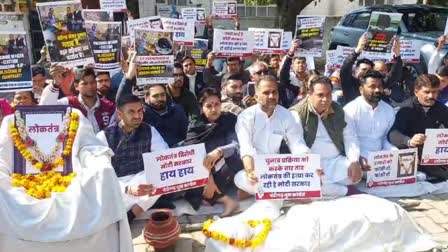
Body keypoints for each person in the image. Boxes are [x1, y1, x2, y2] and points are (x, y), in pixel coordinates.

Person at [0, 106, 133, 252]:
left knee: (105, 171)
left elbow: (88, 145)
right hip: (24, 179)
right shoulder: (11, 122)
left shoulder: (73, 117)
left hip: (69, 176)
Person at [97, 94, 173, 221]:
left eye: (139, 111)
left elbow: (164, 157)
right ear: (120, 114)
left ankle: (131, 215)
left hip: (142, 180)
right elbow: (99, 174)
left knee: (162, 176)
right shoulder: (104, 136)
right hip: (118, 185)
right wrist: (128, 189)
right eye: (131, 112)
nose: (137, 116)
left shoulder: (149, 130)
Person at [233, 75, 309, 196]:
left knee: (311, 181)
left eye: (274, 92)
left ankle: (260, 193)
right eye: (266, 93)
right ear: (256, 96)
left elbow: (297, 144)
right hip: (254, 168)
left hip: (277, 170)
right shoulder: (246, 117)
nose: (272, 96)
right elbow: (246, 148)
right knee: (239, 178)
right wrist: (250, 171)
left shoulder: (286, 115)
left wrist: (308, 164)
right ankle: (280, 195)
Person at [290, 76, 361, 198]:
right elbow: (296, 144)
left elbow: (350, 137)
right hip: (311, 162)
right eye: (320, 95)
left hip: (335, 161)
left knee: (356, 174)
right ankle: (346, 191)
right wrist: (310, 166)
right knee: (308, 180)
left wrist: (354, 161)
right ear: (309, 94)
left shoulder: (338, 109)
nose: (325, 99)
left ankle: (330, 189)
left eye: (329, 95)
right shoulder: (297, 114)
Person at [182, 88, 242, 216]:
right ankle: (225, 199)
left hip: (227, 164)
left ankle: (212, 196)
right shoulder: (195, 124)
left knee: (231, 161)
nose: (214, 109)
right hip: (205, 167)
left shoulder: (229, 119)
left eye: (217, 104)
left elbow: (235, 145)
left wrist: (220, 151)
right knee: (187, 180)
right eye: (208, 106)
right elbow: (192, 152)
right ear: (201, 108)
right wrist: (207, 179)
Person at [389, 74, 448, 182]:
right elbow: (393, 134)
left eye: (434, 92)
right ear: (416, 91)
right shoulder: (406, 109)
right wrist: (409, 141)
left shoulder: (441, 109)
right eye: (426, 92)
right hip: (409, 152)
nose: (431, 96)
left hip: (432, 154)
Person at [343, 70, 396, 171]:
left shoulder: (388, 110)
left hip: (382, 159)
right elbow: (349, 139)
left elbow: (384, 139)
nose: (377, 90)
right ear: (361, 89)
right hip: (357, 157)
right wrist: (357, 158)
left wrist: (395, 152)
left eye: (380, 86)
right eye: (372, 86)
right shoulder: (350, 110)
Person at [40, 66, 115, 133]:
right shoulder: (68, 103)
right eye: (85, 84)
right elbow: (45, 110)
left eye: (92, 82)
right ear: (76, 86)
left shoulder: (109, 106)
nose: (90, 86)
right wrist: (55, 84)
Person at [341, 33, 402, 105]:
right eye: (364, 69)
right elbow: (345, 69)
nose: (367, 72)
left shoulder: (378, 83)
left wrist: (397, 55)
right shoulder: (350, 83)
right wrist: (357, 50)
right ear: (356, 71)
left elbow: (394, 76)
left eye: (370, 70)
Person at [279, 39, 309, 107]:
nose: (301, 65)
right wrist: (290, 54)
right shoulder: (290, 78)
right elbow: (283, 72)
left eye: (303, 62)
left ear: (306, 65)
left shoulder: (311, 78)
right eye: (298, 63)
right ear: (293, 66)